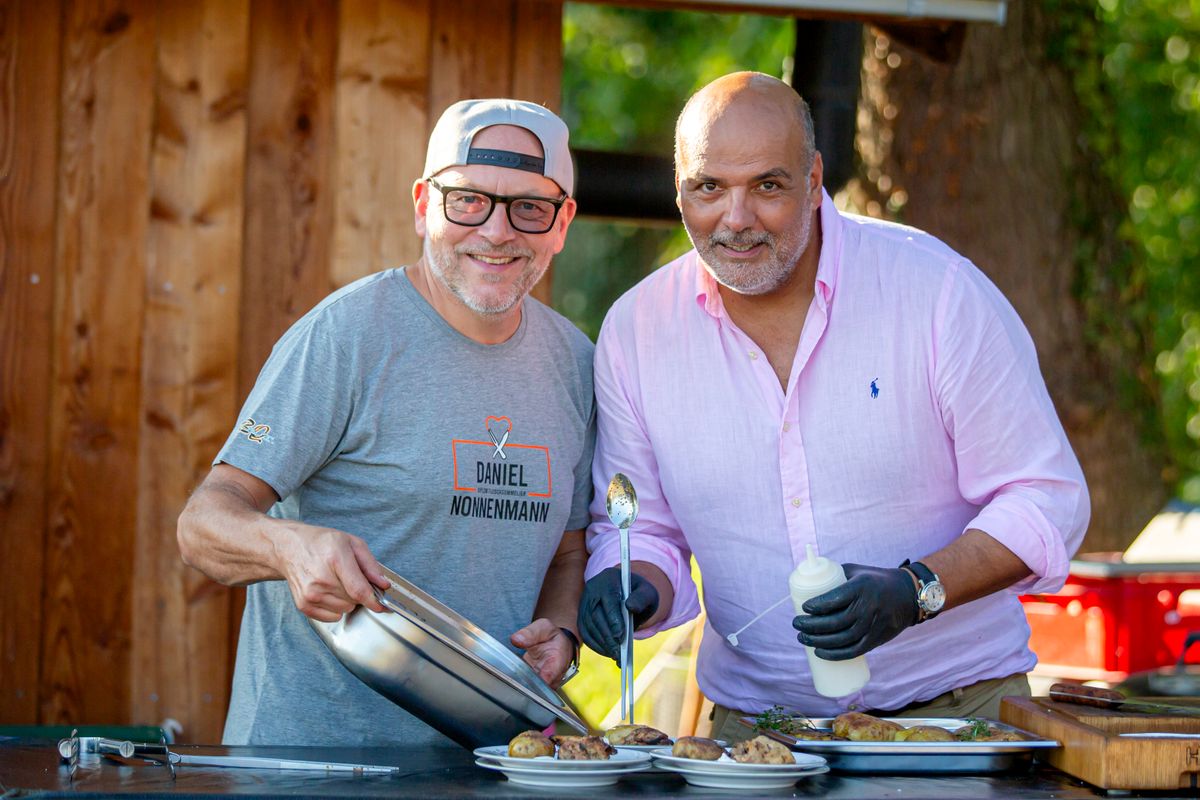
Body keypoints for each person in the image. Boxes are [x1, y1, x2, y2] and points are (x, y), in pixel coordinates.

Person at [577, 72, 1089, 742]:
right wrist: (630, 588)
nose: (736, 219)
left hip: (956, 721)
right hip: (757, 738)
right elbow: (644, 532)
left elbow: (1047, 497)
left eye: (767, 185)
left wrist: (915, 592)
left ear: (814, 181)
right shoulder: (636, 332)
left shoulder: (935, 292)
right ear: (680, 190)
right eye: (709, 188)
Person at [177, 99, 595, 747]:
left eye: (528, 208)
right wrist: (291, 547)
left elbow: (569, 547)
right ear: (425, 204)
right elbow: (202, 526)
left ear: (561, 222)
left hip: (492, 765)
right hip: (310, 766)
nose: (497, 230)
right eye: (468, 201)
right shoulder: (346, 336)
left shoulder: (574, 361)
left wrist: (560, 627)